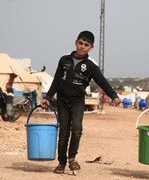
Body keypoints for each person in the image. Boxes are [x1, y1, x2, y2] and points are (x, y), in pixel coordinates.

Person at [41, 30, 121, 174]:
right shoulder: (64, 60)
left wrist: (113, 95)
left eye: (86, 45)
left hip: (77, 101)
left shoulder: (90, 66)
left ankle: (72, 158)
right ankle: (61, 163)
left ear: (91, 47)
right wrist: (47, 97)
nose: (82, 47)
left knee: (77, 129)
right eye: (80, 43)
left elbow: (102, 81)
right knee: (63, 133)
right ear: (76, 42)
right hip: (62, 101)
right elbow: (56, 80)